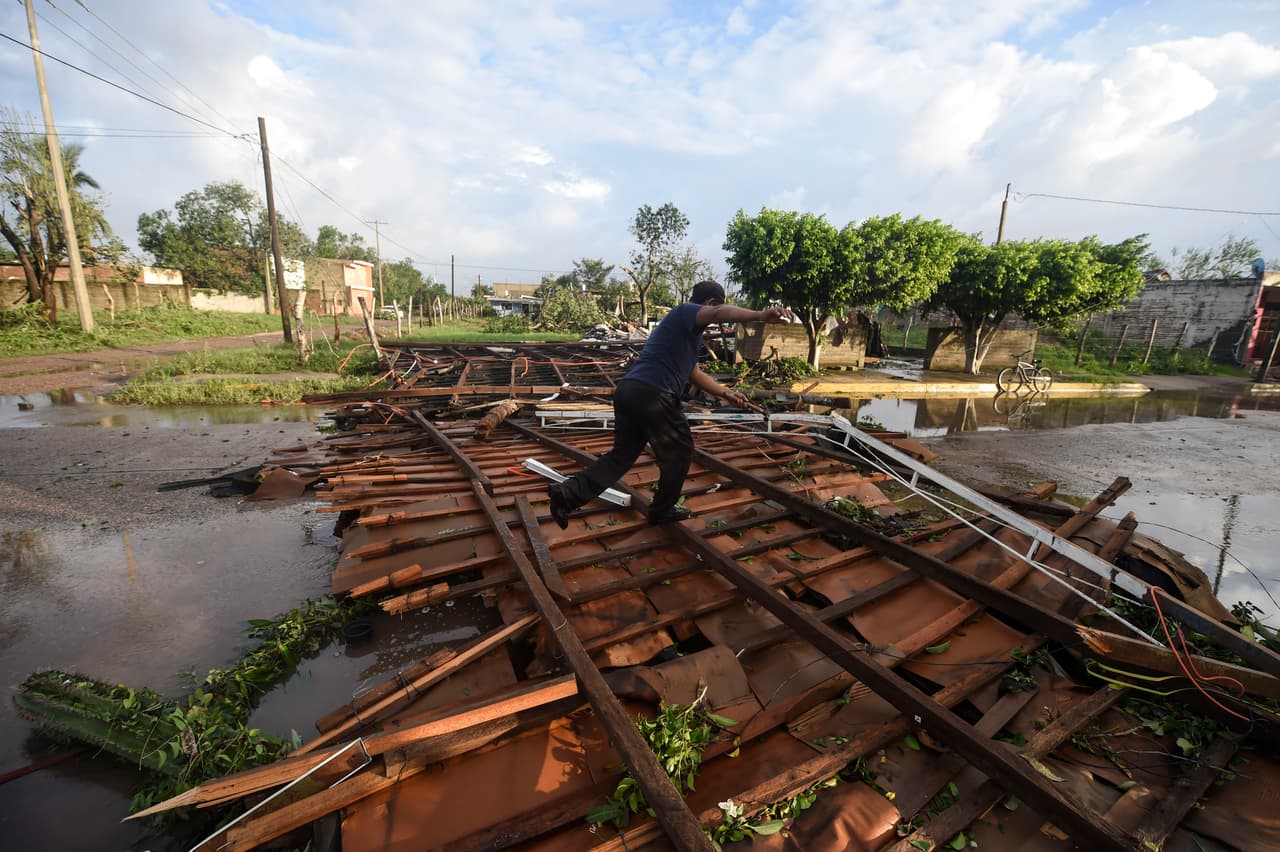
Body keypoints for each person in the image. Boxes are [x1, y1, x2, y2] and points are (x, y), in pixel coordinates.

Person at [547, 280, 792, 529]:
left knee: (621, 456)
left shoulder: (687, 333)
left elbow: (694, 374)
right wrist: (761, 315)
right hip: (653, 393)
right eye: (716, 309)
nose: (719, 319)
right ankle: (661, 510)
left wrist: (727, 394)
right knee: (680, 451)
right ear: (709, 303)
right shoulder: (685, 311)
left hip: (630, 391)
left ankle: (566, 494)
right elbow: (719, 313)